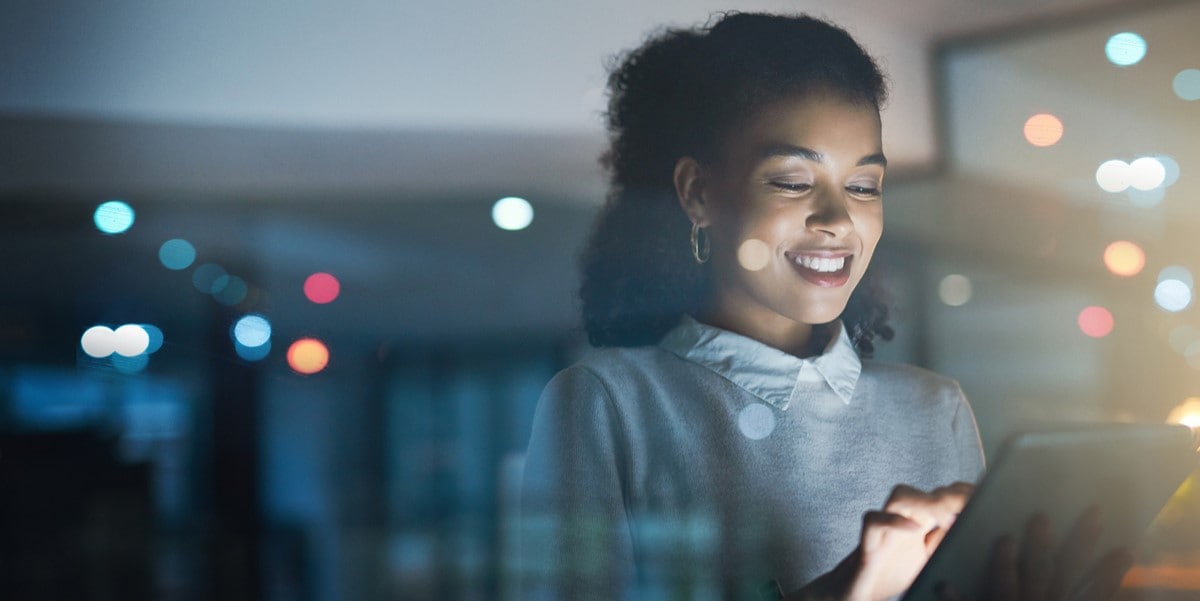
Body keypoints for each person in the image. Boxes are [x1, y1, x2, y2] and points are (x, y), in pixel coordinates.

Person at [518, 12, 1122, 601]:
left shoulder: (935, 409)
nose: (838, 220)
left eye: (863, 186)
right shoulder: (606, 403)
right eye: (791, 181)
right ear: (698, 193)